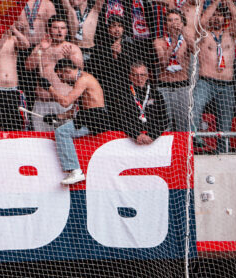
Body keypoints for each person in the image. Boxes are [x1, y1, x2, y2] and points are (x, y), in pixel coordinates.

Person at [41, 57, 105, 186]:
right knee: (62, 128)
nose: (61, 81)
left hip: (94, 119)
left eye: (61, 76)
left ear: (67, 71)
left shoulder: (83, 80)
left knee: (62, 132)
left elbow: (65, 102)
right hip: (87, 116)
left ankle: (75, 170)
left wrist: (50, 89)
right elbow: (73, 110)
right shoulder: (81, 80)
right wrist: (57, 117)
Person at [190, 0, 236, 152]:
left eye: (220, 15)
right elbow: (202, 21)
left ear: (224, 19)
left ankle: (223, 150)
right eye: (214, 15)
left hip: (227, 85)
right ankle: (195, 139)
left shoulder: (230, 35)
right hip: (206, 82)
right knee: (195, 106)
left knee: (225, 123)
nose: (216, 18)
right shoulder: (204, 35)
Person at [107, 61, 169, 143]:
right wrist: (136, 135)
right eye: (135, 75)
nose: (139, 78)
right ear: (130, 76)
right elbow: (119, 119)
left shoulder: (156, 94)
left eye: (142, 75)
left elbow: (164, 120)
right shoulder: (122, 94)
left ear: (147, 76)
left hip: (152, 141)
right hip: (129, 140)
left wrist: (152, 135)